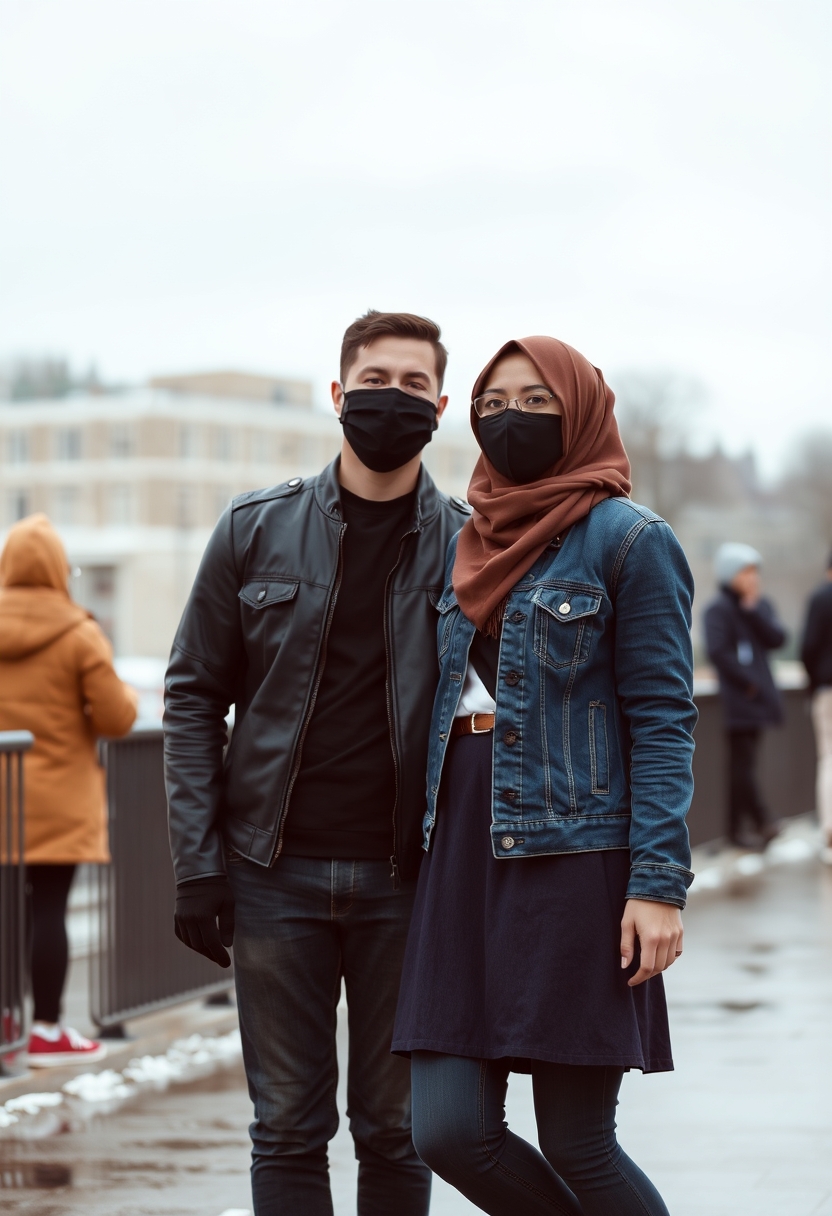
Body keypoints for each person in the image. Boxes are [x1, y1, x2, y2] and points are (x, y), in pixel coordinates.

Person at [164, 310, 469, 1216]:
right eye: (375, 380)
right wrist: (197, 863)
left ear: (442, 406)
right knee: (288, 1127)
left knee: (396, 1130)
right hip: (271, 876)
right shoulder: (254, 529)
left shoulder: (468, 548)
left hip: (406, 884)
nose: (393, 399)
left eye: (414, 385)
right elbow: (190, 696)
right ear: (338, 394)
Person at [392, 337, 696, 1216]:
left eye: (535, 400)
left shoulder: (629, 541)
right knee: (447, 1132)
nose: (507, 417)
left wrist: (659, 886)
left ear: (581, 413)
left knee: (579, 1144)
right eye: (492, 401)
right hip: (460, 859)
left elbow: (666, 721)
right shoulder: (466, 539)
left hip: (575, 861)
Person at [0, 514, 137, 1065]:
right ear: (59, 569)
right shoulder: (78, 633)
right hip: (60, 799)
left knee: (5, 915)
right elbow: (117, 717)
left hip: (3, 795)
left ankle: (6, 1019)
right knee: (48, 911)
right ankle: (48, 1029)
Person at [704, 543, 787, 848]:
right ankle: (757, 822)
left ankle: (742, 829)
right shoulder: (718, 610)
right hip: (738, 702)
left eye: (755, 572)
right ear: (730, 574)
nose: (753, 578)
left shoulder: (757, 606)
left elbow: (778, 638)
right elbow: (718, 652)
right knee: (741, 767)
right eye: (746, 571)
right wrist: (749, 683)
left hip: (758, 701)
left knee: (744, 766)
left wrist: (753, 612)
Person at [800, 550, 832, 864]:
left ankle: (829, 826)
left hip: (827, 689)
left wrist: (813, 683)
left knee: (829, 756)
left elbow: (808, 646)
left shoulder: (820, 598)